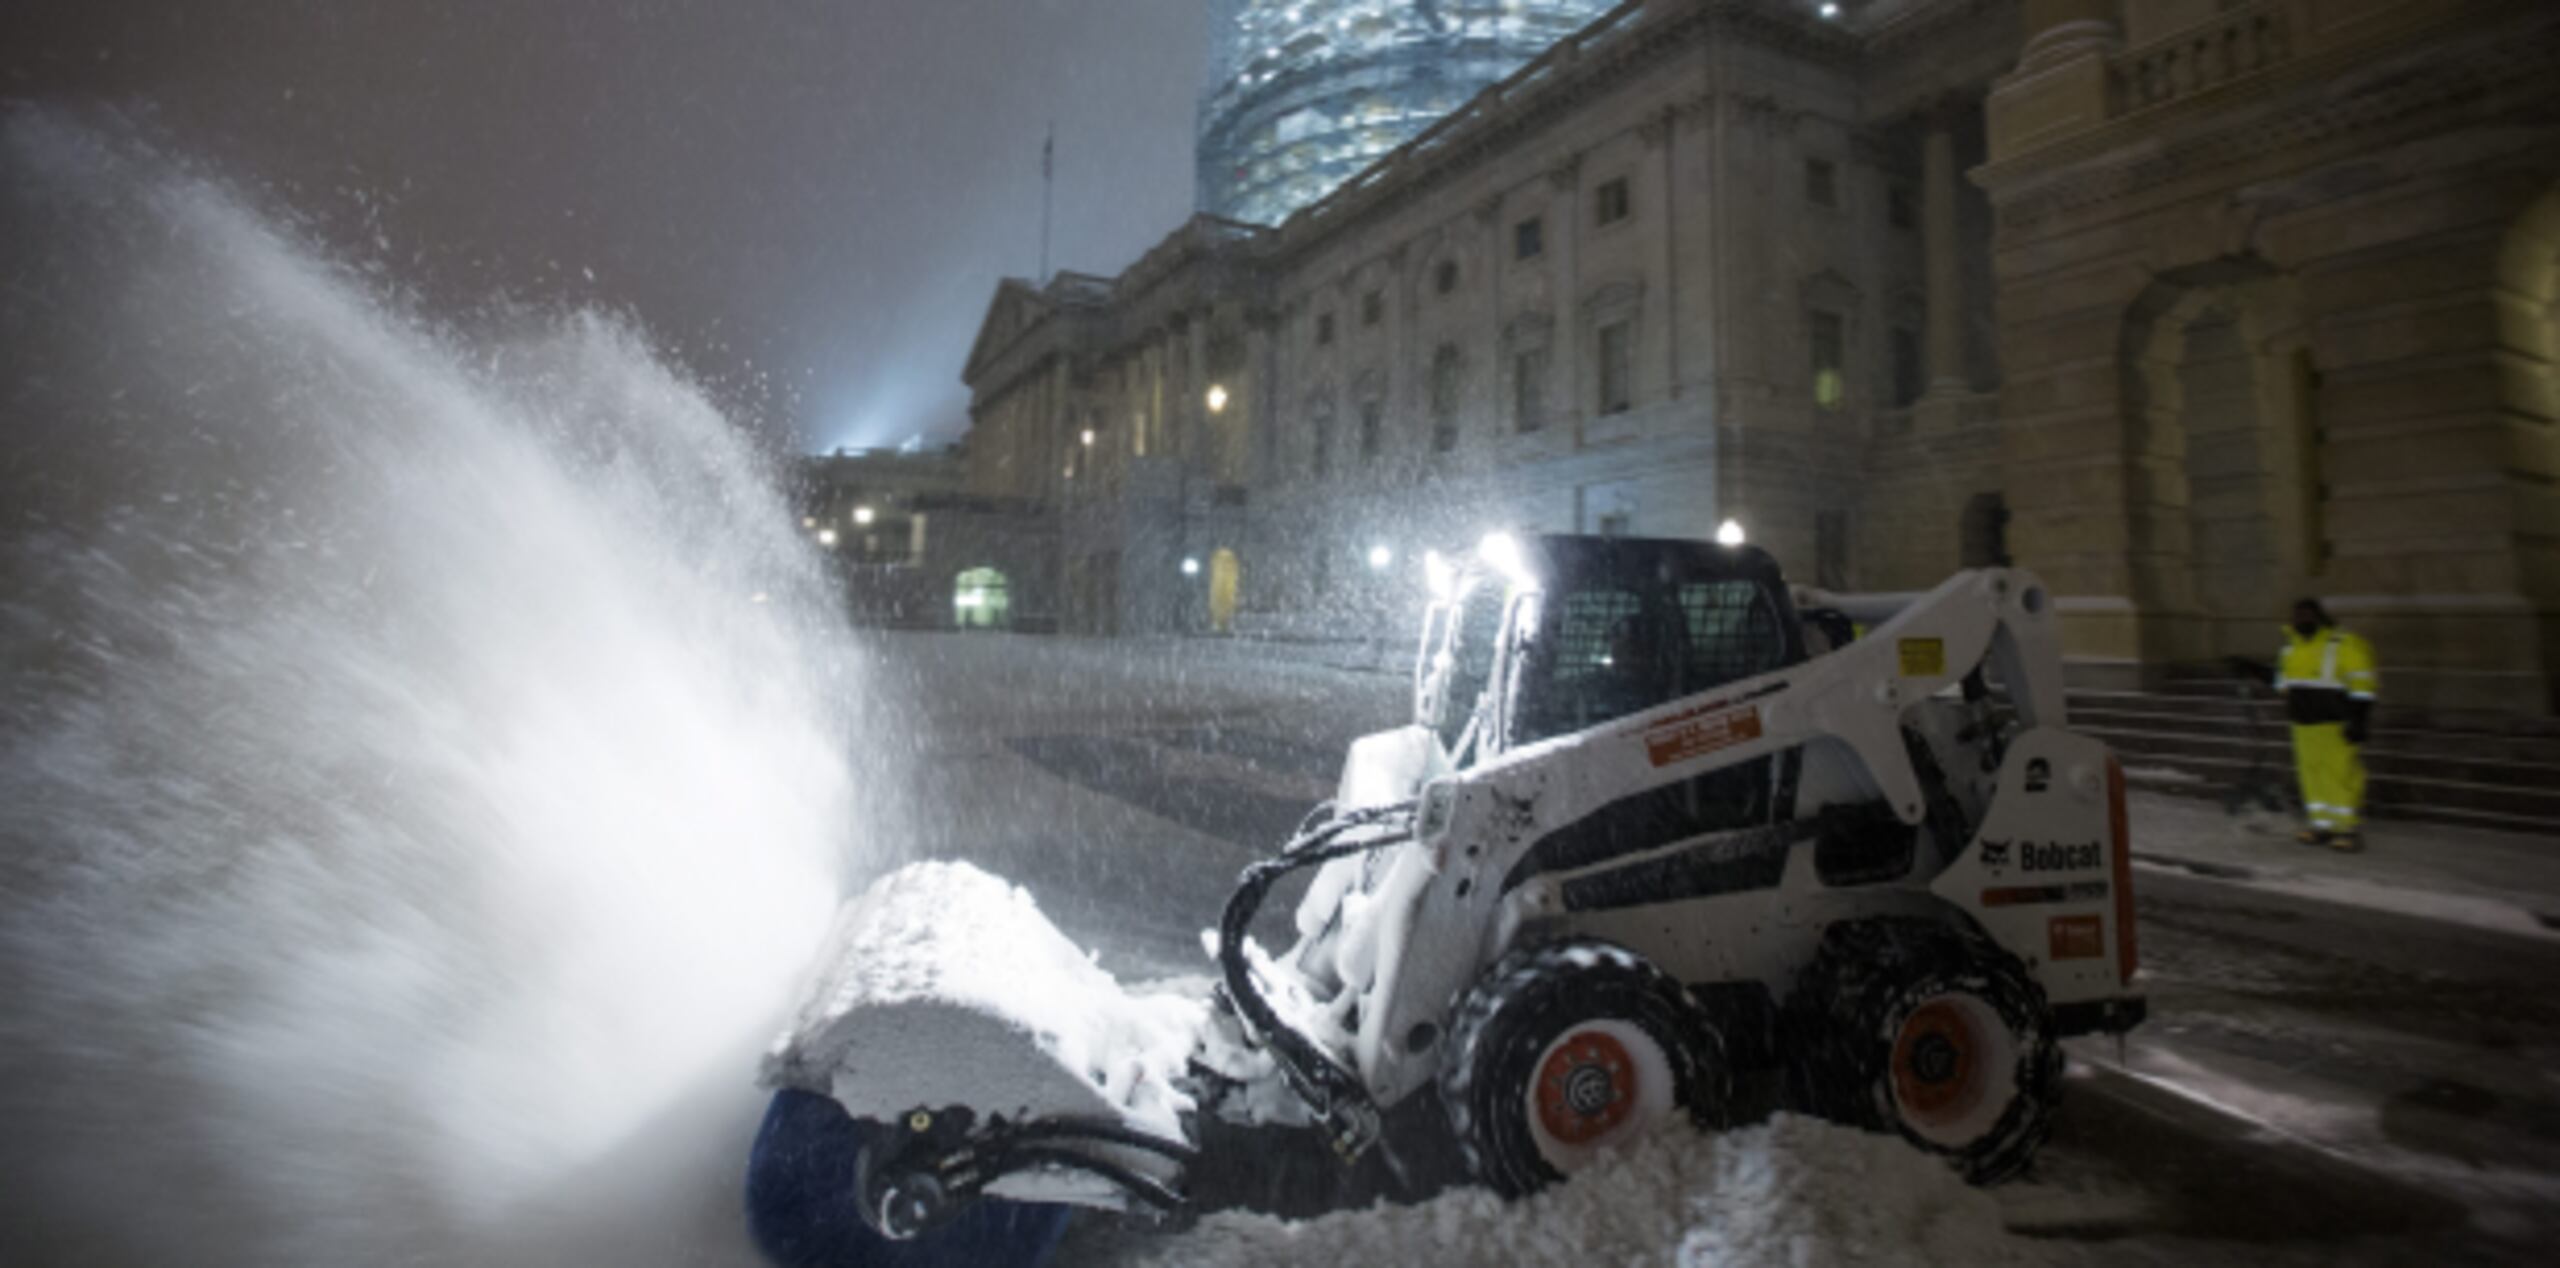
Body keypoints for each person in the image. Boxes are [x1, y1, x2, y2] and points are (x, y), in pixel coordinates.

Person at [2272, 597, 2379, 851]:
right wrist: (2252, 669)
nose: (2301, 620)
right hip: (2303, 725)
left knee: (2341, 775)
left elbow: (2363, 686)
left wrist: (2359, 720)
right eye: (2297, 615)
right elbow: (2282, 685)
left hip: (2335, 725)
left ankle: (2347, 830)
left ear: (2320, 617)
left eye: (2307, 614)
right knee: (2312, 775)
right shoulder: (2290, 650)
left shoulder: (2343, 645)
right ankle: (2321, 825)